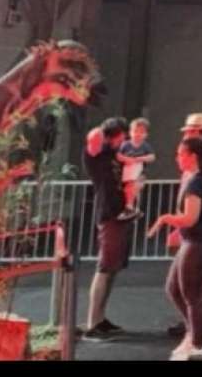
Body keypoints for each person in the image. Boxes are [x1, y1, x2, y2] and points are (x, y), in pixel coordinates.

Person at [148, 137, 202, 361]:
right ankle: (194, 332)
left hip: (199, 243)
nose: (177, 158)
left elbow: (190, 218)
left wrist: (165, 219)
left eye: (181, 154)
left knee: (191, 294)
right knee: (173, 288)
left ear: (193, 157)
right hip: (193, 241)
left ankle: (197, 345)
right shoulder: (197, 180)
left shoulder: (197, 183)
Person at [81, 117, 134, 340]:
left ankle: (100, 319)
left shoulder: (114, 154)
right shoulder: (96, 154)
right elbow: (94, 137)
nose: (123, 141)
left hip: (121, 214)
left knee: (112, 268)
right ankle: (92, 324)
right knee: (104, 268)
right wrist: (104, 130)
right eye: (121, 137)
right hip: (109, 215)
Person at [118, 117, 155, 212]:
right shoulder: (125, 145)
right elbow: (118, 155)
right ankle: (129, 205)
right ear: (130, 132)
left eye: (141, 132)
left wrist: (140, 159)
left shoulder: (145, 146)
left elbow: (152, 157)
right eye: (135, 131)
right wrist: (127, 159)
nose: (138, 134)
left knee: (135, 186)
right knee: (128, 187)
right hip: (127, 171)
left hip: (140, 173)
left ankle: (131, 205)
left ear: (146, 134)